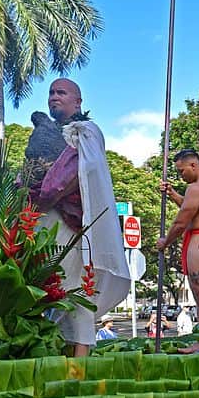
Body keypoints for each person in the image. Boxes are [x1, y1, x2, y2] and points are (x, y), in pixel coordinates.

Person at [28, 79, 131, 357]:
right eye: (50, 93)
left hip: (69, 226)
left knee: (72, 289)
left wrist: (49, 191)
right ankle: (54, 356)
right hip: (42, 225)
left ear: (78, 102)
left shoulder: (85, 130)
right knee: (44, 290)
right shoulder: (47, 133)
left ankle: (79, 364)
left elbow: (85, 171)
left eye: (61, 92)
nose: (54, 97)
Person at [155, 150, 199, 323]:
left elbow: (181, 222)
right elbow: (193, 208)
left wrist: (165, 242)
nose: (181, 176)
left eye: (182, 171)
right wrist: (173, 194)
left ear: (193, 165)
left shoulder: (195, 188)